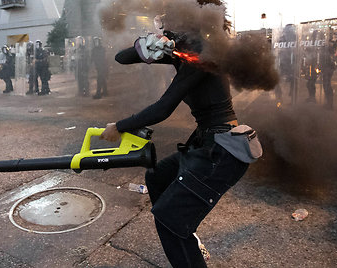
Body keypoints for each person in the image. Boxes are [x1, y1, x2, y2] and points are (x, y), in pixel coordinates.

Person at [99, 1, 257, 266]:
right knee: (157, 177)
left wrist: (119, 126)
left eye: (170, 18)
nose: (164, 22)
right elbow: (121, 58)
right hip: (205, 141)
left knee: (168, 219)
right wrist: (149, 44)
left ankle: (184, 238)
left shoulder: (204, 52)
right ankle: (188, 237)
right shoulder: (182, 49)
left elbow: (163, 107)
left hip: (220, 149)